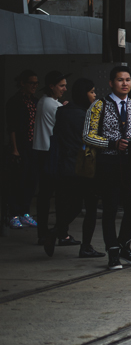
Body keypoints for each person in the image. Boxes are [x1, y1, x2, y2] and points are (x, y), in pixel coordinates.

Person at [84, 66, 131, 270]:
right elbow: (87, 135)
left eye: (128, 80)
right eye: (120, 80)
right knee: (110, 209)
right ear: (111, 83)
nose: (125, 83)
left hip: (130, 164)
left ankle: (124, 246)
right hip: (107, 163)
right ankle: (112, 252)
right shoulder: (98, 106)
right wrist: (111, 144)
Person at [48, 78, 103, 258]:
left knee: (72, 205)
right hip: (83, 167)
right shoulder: (85, 116)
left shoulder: (63, 111)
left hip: (64, 166)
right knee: (90, 207)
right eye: (92, 92)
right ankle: (85, 246)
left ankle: (56, 231)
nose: (94, 96)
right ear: (84, 94)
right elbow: (92, 140)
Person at [32, 70, 68, 245]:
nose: (64, 89)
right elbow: (65, 121)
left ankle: (44, 232)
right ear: (51, 86)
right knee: (56, 195)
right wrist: (65, 107)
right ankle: (56, 233)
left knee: (45, 195)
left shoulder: (44, 101)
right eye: (61, 85)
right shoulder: (52, 105)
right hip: (49, 152)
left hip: (41, 150)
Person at [5, 69, 39, 229]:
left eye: (36, 83)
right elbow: (11, 127)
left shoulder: (35, 101)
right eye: (31, 83)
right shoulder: (15, 102)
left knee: (30, 179)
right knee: (17, 180)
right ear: (22, 84)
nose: (34, 86)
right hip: (21, 144)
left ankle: (25, 212)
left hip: (33, 144)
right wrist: (15, 148)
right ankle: (14, 213)